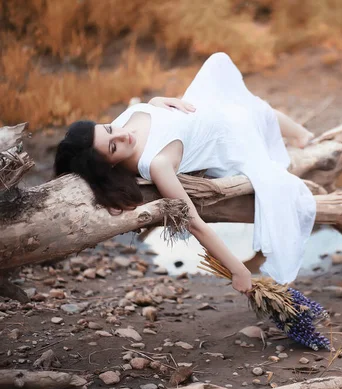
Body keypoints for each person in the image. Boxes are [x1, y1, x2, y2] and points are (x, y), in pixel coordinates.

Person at [54, 52, 316, 293]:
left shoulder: (120, 125)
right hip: (226, 137)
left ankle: (302, 135)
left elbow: (142, 111)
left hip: (198, 107)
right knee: (251, 115)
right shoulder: (156, 164)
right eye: (114, 146)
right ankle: (303, 136)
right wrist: (238, 270)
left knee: (219, 65)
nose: (123, 135)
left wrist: (156, 102)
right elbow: (195, 224)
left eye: (109, 129)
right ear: (109, 165)